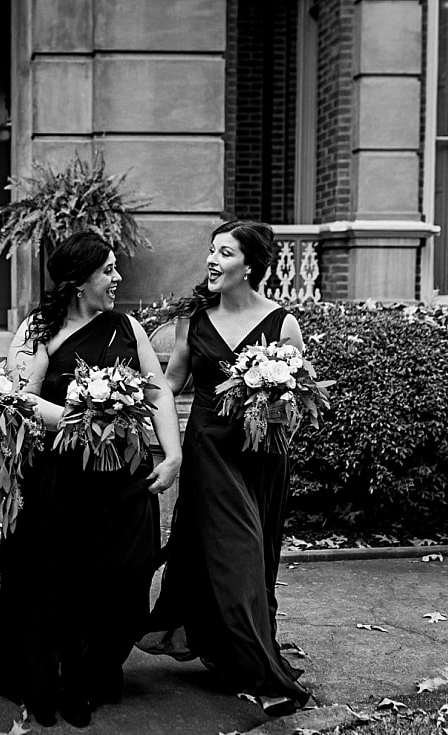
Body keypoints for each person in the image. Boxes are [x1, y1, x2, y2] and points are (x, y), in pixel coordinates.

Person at [0, 232, 183, 728]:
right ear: (79, 281)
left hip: (125, 478)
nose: (117, 278)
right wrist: (82, 415)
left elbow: (157, 392)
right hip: (62, 480)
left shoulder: (128, 327)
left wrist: (174, 453)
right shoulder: (38, 329)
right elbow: (22, 397)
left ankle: (99, 664)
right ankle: (73, 680)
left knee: (132, 573)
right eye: (109, 270)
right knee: (66, 584)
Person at [136, 220, 312, 716]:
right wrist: (123, 404)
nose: (212, 261)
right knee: (237, 555)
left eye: (225, 253)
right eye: (211, 251)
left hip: (262, 459)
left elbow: (302, 398)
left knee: (255, 561)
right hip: (211, 454)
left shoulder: (283, 325)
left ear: (249, 266)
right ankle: (266, 678)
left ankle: (239, 652)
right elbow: (170, 384)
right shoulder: (193, 320)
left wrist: (272, 401)